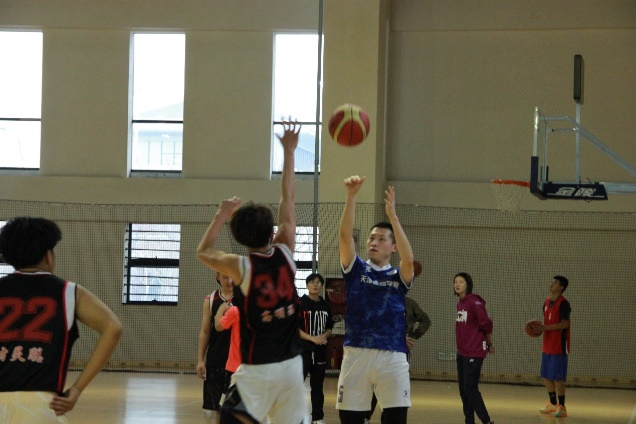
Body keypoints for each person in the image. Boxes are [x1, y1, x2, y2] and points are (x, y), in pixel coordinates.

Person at [196, 120, 308, 424]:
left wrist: (220, 215)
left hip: (259, 368)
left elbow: (203, 251)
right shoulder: (286, 251)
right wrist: (289, 152)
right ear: (272, 232)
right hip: (292, 366)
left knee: (228, 418)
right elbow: (288, 197)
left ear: (240, 239)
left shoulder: (242, 266)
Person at [0, 217, 123, 422]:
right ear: (48, 256)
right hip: (41, 405)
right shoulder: (68, 291)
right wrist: (77, 389)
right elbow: (113, 328)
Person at [336, 175, 415, 424]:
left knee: (395, 419)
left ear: (393, 247)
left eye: (382, 239)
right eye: (371, 238)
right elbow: (345, 238)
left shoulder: (399, 276)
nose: (374, 242)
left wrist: (393, 217)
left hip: (392, 355)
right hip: (356, 351)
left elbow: (409, 260)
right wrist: (351, 196)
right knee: (350, 419)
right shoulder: (357, 269)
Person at [365, 295, 431, 422]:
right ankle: (366, 417)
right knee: (375, 385)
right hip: (381, 351)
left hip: (400, 353)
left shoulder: (410, 303)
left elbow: (426, 321)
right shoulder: (381, 300)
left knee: (395, 388)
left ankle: (387, 418)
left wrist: (412, 336)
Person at [454, 272, 494, 424]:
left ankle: (486, 420)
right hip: (462, 352)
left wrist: (489, 343)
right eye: (455, 282)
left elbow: (486, 323)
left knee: (470, 388)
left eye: (461, 282)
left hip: (474, 350)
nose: (457, 284)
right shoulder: (460, 303)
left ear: (468, 285)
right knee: (463, 390)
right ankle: (469, 421)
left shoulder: (474, 301)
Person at [196, 272, 235, 420]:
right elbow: (205, 331)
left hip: (237, 362)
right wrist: (200, 360)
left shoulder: (244, 299)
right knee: (211, 410)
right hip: (215, 360)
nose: (229, 280)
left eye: (232, 276)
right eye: (225, 277)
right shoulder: (211, 299)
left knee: (235, 411)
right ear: (217, 276)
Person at [298, 273, 334, 424]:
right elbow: (295, 329)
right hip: (302, 352)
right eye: (312, 282)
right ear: (307, 285)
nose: (315, 285)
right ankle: (295, 416)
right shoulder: (300, 303)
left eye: (318, 283)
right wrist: (312, 338)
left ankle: (317, 417)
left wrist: (323, 336)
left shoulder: (326, 306)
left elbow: (330, 327)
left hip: (319, 352)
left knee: (317, 387)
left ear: (322, 286)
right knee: (296, 385)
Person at [537, 275, 571, 418]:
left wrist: (545, 327)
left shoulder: (564, 303)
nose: (552, 284)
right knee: (546, 375)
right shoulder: (546, 302)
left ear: (561, 287)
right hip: (547, 344)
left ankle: (562, 407)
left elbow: (564, 324)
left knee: (558, 378)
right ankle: (552, 404)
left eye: (555, 282)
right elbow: (546, 323)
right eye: (552, 282)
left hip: (559, 346)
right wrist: (538, 328)